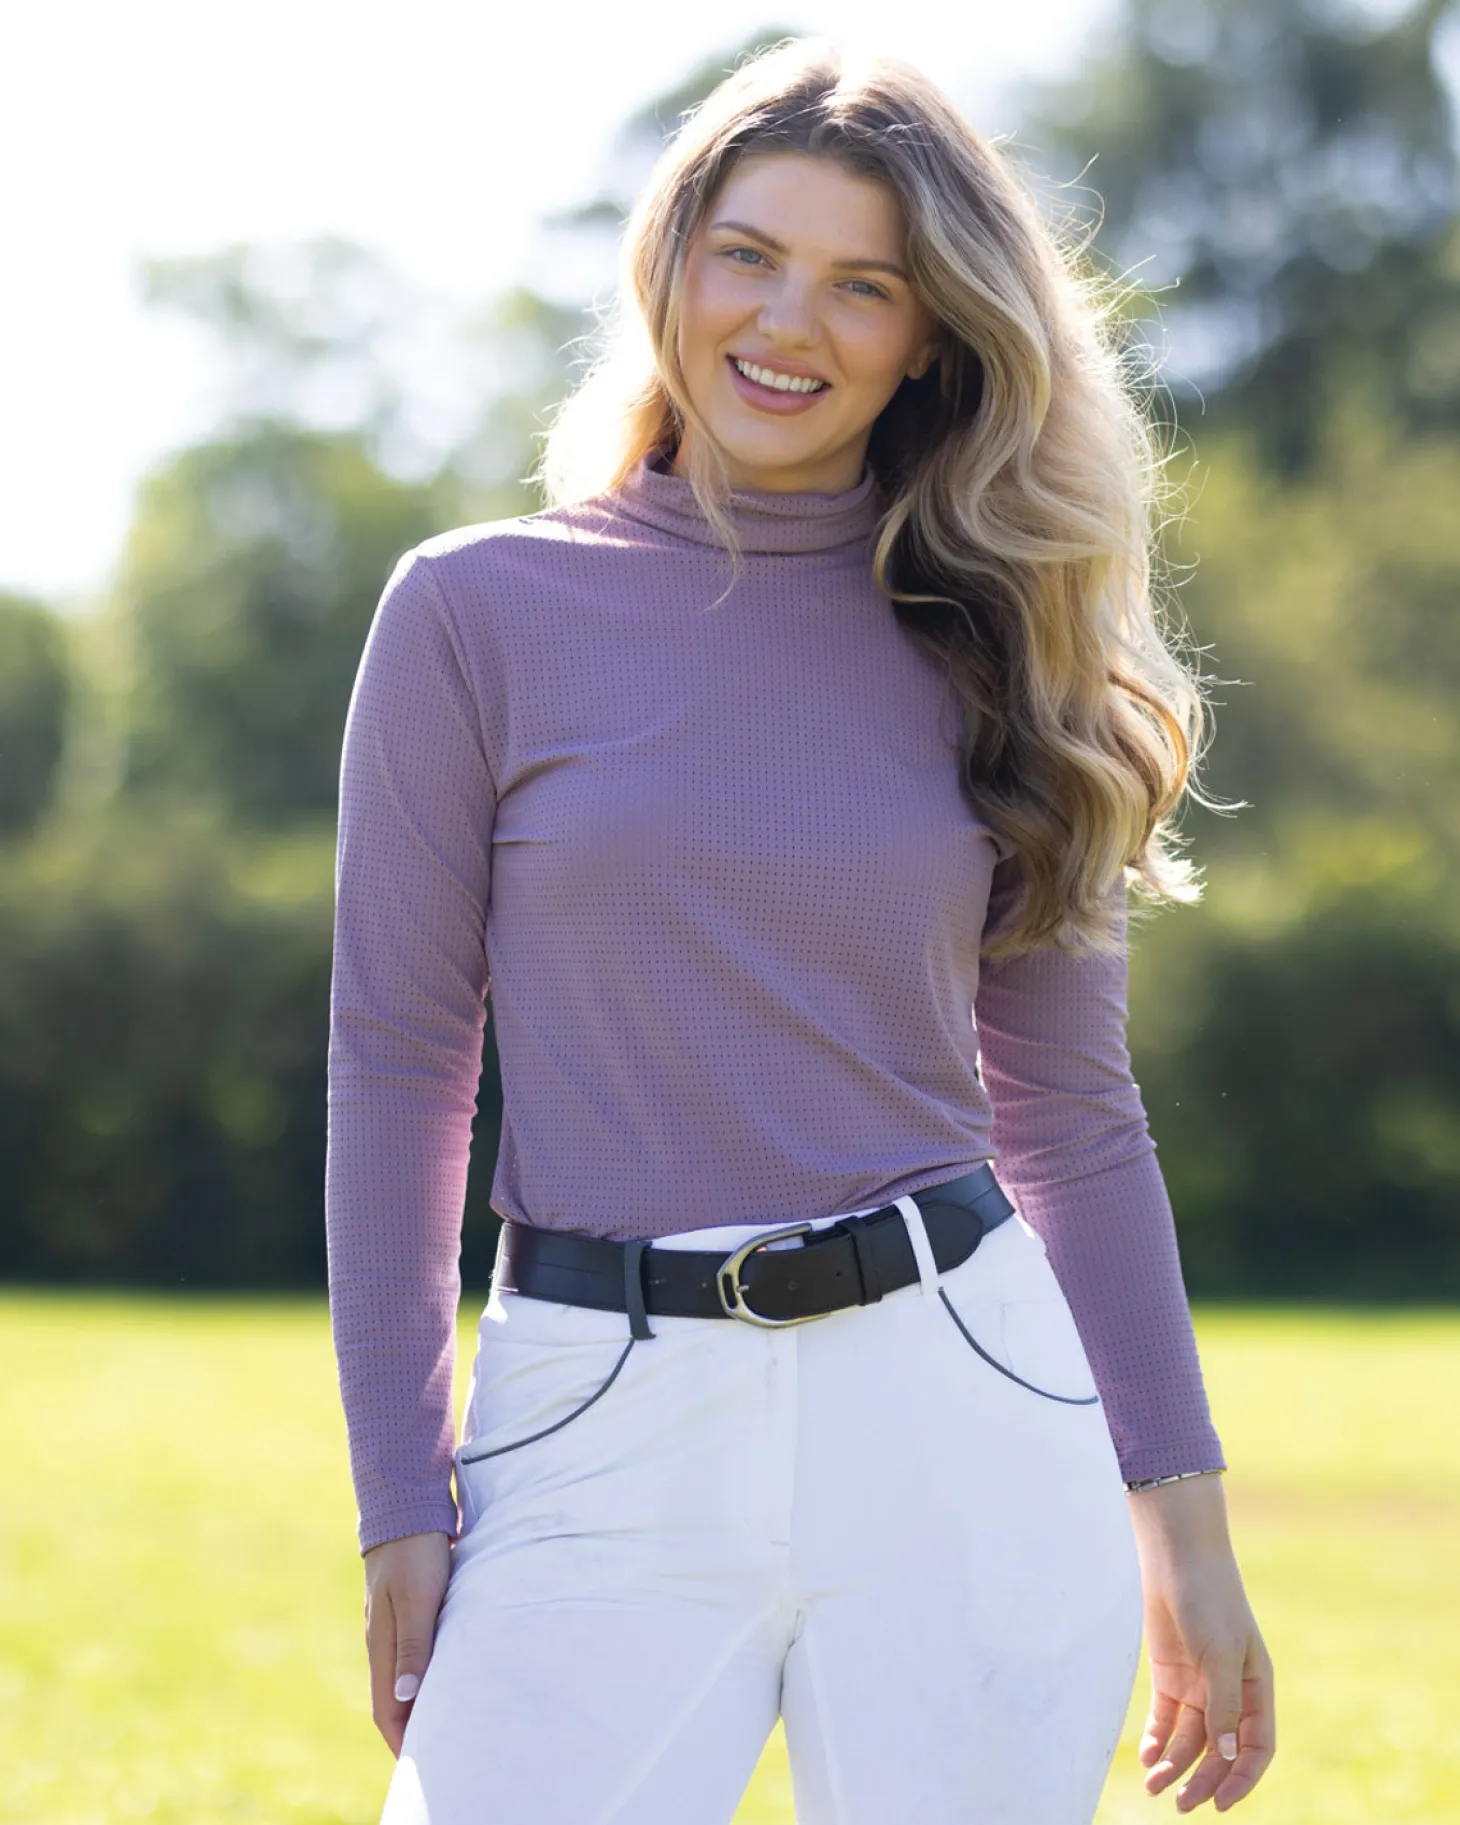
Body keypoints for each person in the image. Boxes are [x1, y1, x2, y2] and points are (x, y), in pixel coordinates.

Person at [325, 34, 1276, 1825]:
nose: (788, 323)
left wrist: (1189, 1526)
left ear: (931, 336)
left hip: (963, 1399)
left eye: (864, 285)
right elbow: (397, 1066)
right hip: (593, 1404)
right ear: (669, 262)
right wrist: (400, 1495)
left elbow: (1074, 1118)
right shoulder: (475, 611)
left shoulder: (1006, 643)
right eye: (748, 255)